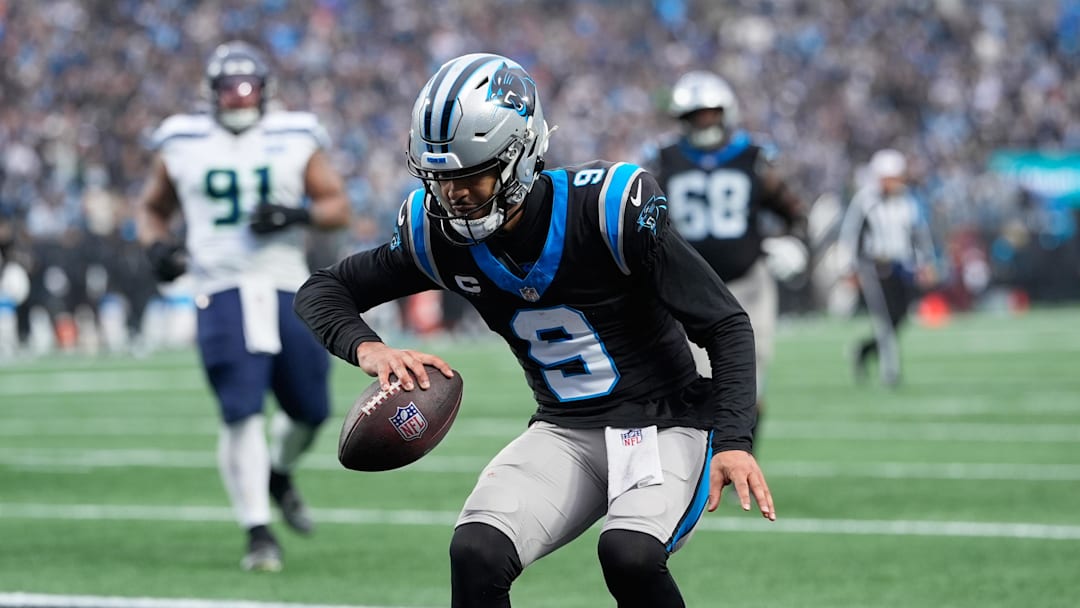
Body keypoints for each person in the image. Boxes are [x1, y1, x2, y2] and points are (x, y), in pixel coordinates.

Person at [294, 53, 775, 607]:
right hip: (565, 429)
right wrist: (369, 348)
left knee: (630, 555)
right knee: (476, 550)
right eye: (440, 178)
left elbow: (725, 323)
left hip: (665, 424)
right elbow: (322, 290)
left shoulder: (606, 209)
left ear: (520, 156)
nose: (453, 195)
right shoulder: (437, 237)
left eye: (469, 176)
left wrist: (734, 442)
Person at [135, 40, 351, 572]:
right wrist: (158, 247)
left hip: (287, 285)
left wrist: (296, 215)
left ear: (265, 90)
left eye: (247, 87)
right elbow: (151, 209)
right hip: (219, 286)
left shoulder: (296, 134)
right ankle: (258, 530)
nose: (238, 97)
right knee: (241, 408)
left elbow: (337, 205)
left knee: (311, 409)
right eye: (228, 88)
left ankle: (279, 473)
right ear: (211, 93)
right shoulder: (181, 140)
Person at [649, 70, 808, 443]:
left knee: (750, 376)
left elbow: (793, 211)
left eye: (710, 113)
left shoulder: (752, 157)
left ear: (726, 113)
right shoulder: (664, 160)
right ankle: (702, 459)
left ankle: (743, 457)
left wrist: (791, 241)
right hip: (687, 286)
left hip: (748, 281)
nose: (704, 121)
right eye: (695, 115)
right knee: (695, 380)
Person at [837, 148, 937, 387]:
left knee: (899, 317)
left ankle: (864, 350)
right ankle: (890, 372)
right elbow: (850, 234)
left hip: (901, 266)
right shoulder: (865, 200)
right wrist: (849, 268)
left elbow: (919, 234)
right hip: (873, 266)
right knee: (884, 319)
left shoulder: (908, 201)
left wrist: (926, 262)